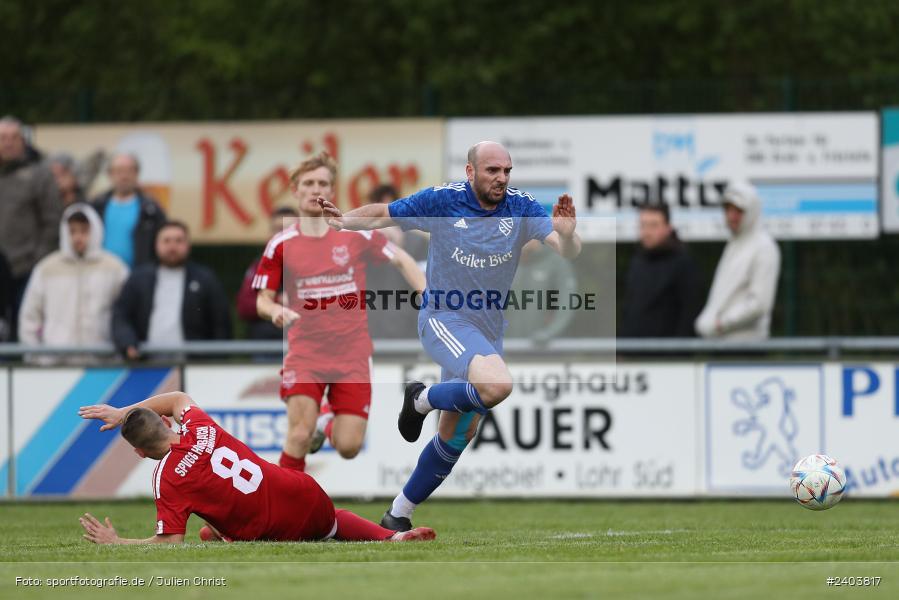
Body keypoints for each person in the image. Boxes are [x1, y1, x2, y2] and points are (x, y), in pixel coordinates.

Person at [320, 141, 581, 531]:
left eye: (507, 171)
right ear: (471, 172)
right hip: (445, 317)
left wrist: (568, 235)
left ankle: (398, 513)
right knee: (497, 386)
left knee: (458, 433)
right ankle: (421, 398)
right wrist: (343, 220)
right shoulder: (443, 200)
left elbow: (566, 251)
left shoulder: (521, 206)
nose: (502, 178)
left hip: (488, 329)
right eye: (493, 170)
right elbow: (383, 215)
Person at [254, 153, 426, 473]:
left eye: (322, 183)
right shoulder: (280, 243)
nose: (315, 188)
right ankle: (282, 513)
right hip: (306, 352)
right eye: (308, 183)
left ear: (332, 192)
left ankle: (328, 422)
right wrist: (274, 309)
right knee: (299, 435)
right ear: (295, 190)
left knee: (348, 447)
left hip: (353, 354)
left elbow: (401, 258)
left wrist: (426, 294)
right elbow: (261, 300)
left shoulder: (354, 233)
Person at [77, 391, 435, 544]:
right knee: (331, 519)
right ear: (168, 424)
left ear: (139, 453)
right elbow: (175, 399)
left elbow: (169, 541)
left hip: (278, 526)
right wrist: (124, 411)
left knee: (216, 529)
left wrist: (116, 541)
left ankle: (224, 534)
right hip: (306, 491)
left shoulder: (166, 479)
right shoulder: (200, 425)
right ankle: (394, 536)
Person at [18, 204, 128, 362]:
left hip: (102, 366)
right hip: (57, 366)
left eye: (84, 231)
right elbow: (29, 317)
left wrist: (116, 357)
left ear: (95, 230)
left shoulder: (115, 268)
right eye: (72, 231)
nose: (78, 237)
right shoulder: (46, 268)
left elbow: (125, 315)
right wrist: (39, 359)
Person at [112, 221, 231, 360]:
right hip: (144, 364)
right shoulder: (139, 278)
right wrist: (128, 342)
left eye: (179, 241)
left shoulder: (205, 279)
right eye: (166, 241)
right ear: (156, 244)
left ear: (188, 245)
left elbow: (221, 324)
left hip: (193, 366)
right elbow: (121, 315)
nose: (172, 246)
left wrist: (215, 361)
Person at [0, 116, 63, 341]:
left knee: (22, 327)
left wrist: (38, 261)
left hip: (25, 269)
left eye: (14, 137)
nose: (8, 143)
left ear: (23, 141)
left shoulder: (40, 174)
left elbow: (53, 220)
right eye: (3, 138)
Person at [695, 182, 781, 340]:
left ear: (752, 212)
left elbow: (759, 304)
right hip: (723, 343)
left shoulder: (764, 247)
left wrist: (721, 324)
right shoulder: (734, 244)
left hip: (746, 346)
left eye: (739, 211)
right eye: (727, 210)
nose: (731, 216)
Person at [620, 203, 702, 337]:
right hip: (632, 352)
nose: (647, 232)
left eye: (653, 225)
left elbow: (690, 313)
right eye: (643, 225)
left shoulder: (683, 263)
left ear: (668, 228)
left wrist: (677, 352)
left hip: (666, 355)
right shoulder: (637, 261)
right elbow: (628, 310)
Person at [364, 184, 429, 340]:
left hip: (409, 331)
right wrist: (376, 243)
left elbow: (427, 284)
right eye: (379, 208)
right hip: (371, 329)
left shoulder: (418, 242)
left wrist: (400, 248)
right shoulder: (362, 241)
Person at [91, 152, 167, 268]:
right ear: (110, 174)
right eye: (119, 171)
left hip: (139, 276)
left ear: (137, 174)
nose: (124, 176)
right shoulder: (96, 206)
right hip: (102, 276)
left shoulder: (151, 209)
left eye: (129, 171)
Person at [236, 207, 298, 341]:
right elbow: (244, 305)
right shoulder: (261, 264)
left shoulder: (316, 262)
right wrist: (277, 301)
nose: (283, 235)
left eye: (289, 229)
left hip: (307, 342)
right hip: (267, 344)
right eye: (278, 229)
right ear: (270, 233)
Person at [504, 239, 578, 343]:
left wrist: (549, 333)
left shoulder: (556, 263)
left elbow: (567, 303)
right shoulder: (501, 262)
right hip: (507, 349)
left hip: (546, 350)